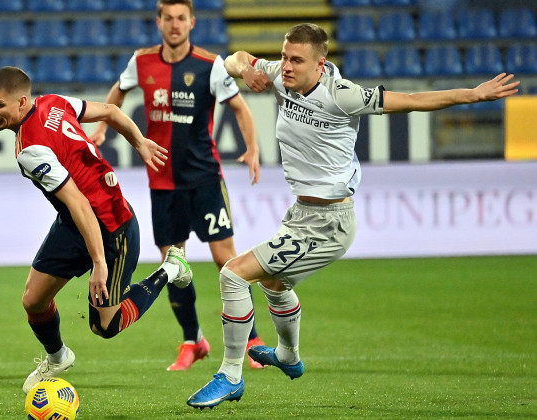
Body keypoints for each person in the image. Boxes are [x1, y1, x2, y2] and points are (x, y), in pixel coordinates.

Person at [186, 23, 520, 408]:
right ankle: (289, 357)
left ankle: (230, 375)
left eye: (296, 60)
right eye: (284, 57)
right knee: (274, 284)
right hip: (302, 214)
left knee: (232, 274)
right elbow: (234, 60)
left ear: (320, 64)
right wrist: (246, 70)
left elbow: (411, 98)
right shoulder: (281, 76)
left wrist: (472, 94)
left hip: (329, 223)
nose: (287, 66)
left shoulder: (341, 95)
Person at [0, 66, 194, 393]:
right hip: (74, 223)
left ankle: (169, 267)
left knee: (105, 325)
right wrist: (139, 142)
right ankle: (57, 357)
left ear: (22, 101)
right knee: (34, 300)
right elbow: (110, 111)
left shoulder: (30, 150)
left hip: (112, 227)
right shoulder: (53, 102)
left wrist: (99, 263)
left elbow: (81, 203)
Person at [90, 0, 266, 371]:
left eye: (180, 18)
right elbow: (117, 93)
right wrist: (103, 126)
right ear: (158, 23)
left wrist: (252, 147)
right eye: (167, 18)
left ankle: (252, 340)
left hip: (204, 179)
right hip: (163, 182)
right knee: (174, 263)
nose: (174, 25)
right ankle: (193, 340)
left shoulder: (209, 65)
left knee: (226, 260)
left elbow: (240, 108)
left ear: (192, 23)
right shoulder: (141, 62)